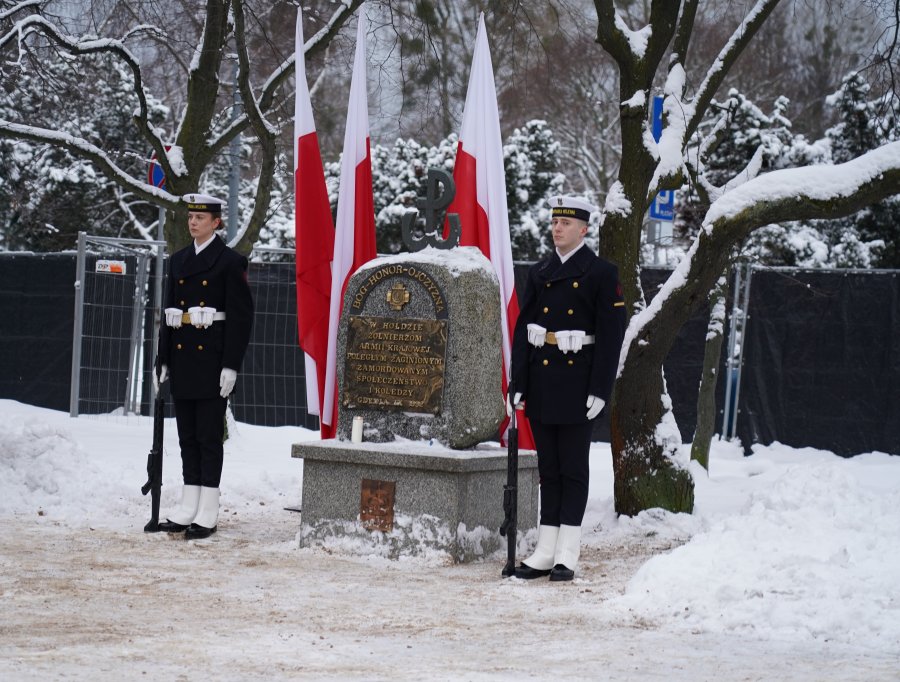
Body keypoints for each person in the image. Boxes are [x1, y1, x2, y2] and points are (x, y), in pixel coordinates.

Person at [508, 195, 626, 581]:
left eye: (566, 223)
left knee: (573, 469)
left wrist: (600, 388)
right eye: (555, 222)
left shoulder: (601, 273)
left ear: (583, 229)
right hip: (543, 381)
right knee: (550, 469)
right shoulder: (541, 271)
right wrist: (519, 382)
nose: (557, 228)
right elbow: (524, 332)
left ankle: (568, 552)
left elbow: (611, 337)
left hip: (578, 383)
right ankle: (545, 549)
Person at [154, 193, 254, 539]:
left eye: (200, 217)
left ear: (216, 222)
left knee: (209, 438)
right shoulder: (178, 260)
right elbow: (169, 314)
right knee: (187, 438)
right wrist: (163, 358)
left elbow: (240, 319)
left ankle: (208, 509)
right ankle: (188, 505)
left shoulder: (230, 262)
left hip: (212, 361)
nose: (193, 222)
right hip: (183, 359)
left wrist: (231, 366)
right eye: (191, 216)